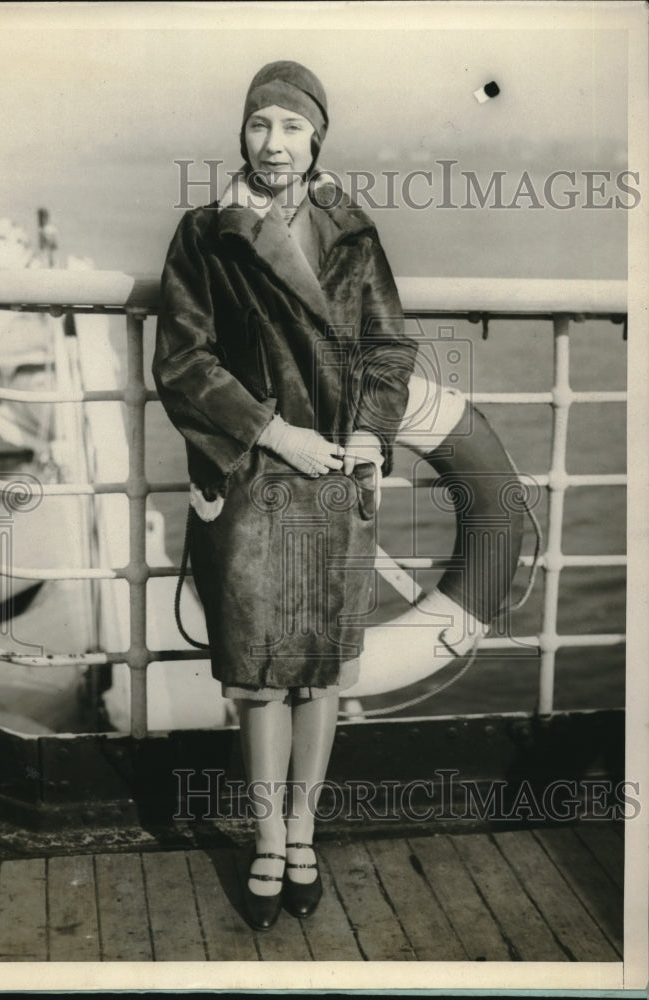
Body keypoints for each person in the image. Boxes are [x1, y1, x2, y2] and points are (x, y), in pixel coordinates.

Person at [153, 60, 417, 930]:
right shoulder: (205, 233)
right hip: (253, 472)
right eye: (260, 124)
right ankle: (267, 838)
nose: (274, 144)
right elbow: (183, 362)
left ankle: (305, 831)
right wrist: (272, 431)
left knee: (322, 673)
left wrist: (370, 433)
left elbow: (388, 346)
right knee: (261, 677)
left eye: (292, 127)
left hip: (336, 473)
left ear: (316, 140)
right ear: (242, 133)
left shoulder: (352, 232)